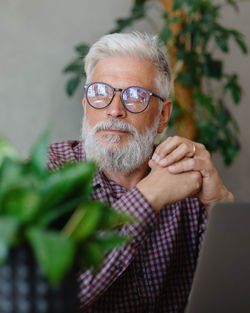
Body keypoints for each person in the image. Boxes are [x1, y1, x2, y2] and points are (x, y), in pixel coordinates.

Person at [48, 32, 234, 313]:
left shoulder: (186, 174)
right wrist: (148, 196)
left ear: (162, 115)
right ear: (86, 105)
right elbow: (54, 294)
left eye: (135, 96)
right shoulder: (51, 174)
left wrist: (218, 202)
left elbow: (236, 291)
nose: (114, 110)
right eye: (100, 93)